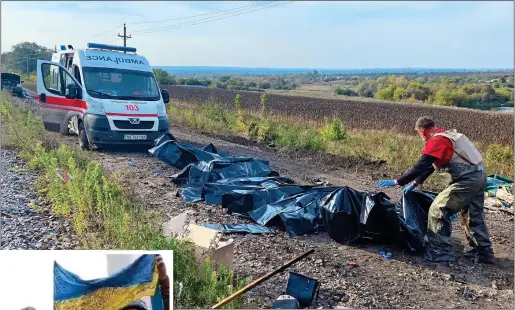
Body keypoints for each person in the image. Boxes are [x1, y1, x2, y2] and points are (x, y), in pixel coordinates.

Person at [376, 116, 494, 263]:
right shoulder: (447, 135)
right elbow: (432, 165)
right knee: (472, 213)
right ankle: (483, 252)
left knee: (438, 210)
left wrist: (398, 181)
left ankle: (440, 252)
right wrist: (415, 183)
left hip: (467, 179)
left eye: (418, 133)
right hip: (479, 175)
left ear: (422, 131)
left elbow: (422, 165)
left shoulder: (436, 141)